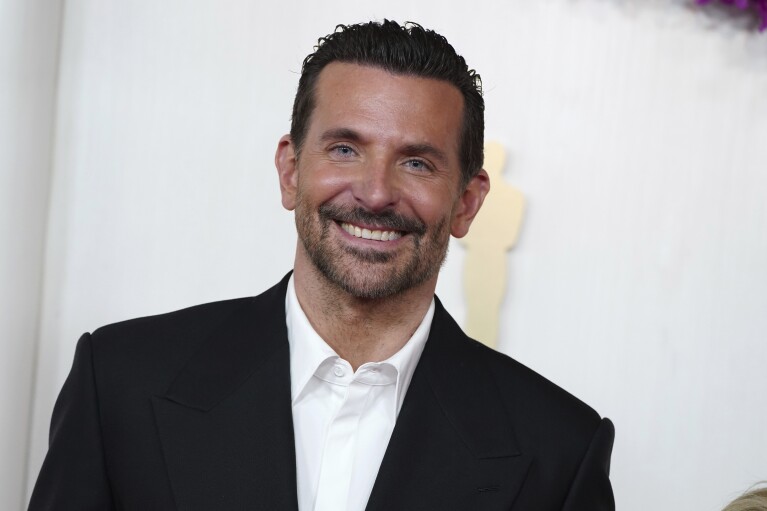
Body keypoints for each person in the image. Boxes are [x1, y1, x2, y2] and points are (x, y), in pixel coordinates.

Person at [29, 20, 615, 511]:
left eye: (416, 162)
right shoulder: (121, 382)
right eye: (345, 149)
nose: (376, 192)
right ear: (290, 170)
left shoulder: (560, 451)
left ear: (467, 201)